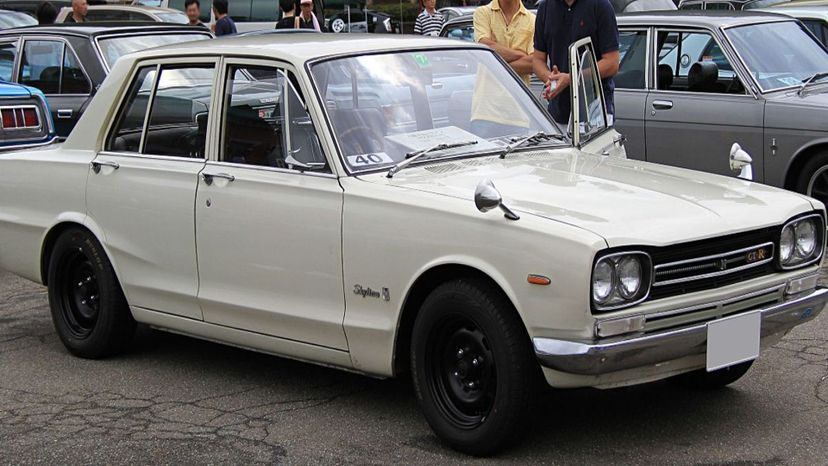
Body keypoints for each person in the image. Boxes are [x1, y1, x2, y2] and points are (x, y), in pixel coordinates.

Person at [532, 0, 620, 124]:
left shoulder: (601, 6)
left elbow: (612, 63)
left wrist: (570, 79)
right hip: (557, 116)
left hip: (596, 115)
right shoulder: (545, 8)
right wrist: (552, 80)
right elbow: (537, 60)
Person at [473, 0, 535, 85]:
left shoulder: (532, 20)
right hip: (487, 96)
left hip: (519, 96)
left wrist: (493, 65)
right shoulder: (483, 13)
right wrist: (522, 55)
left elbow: (533, 63)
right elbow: (484, 48)